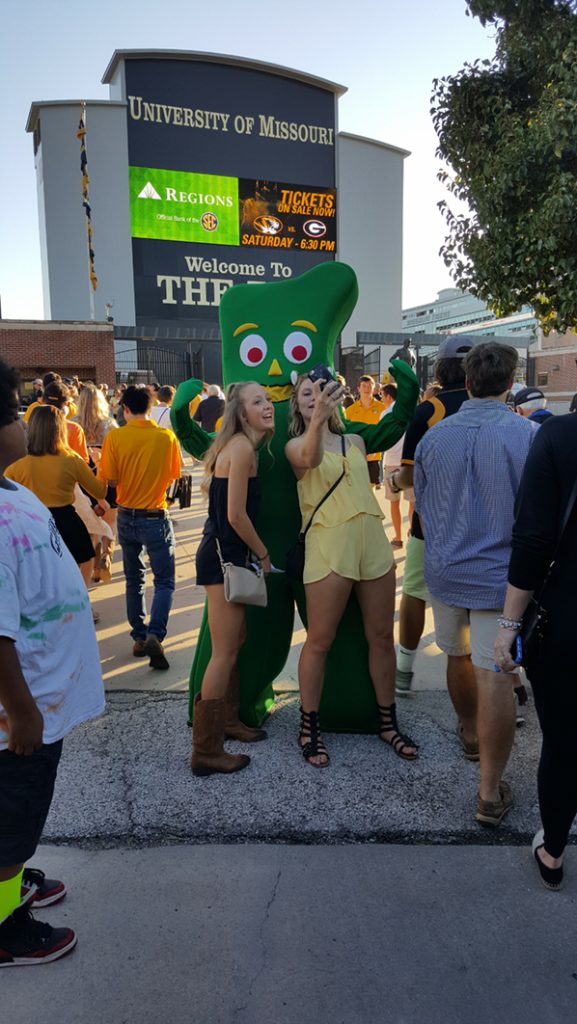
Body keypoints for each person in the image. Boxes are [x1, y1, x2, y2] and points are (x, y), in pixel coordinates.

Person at [0, 359, 105, 966]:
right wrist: (21, 713)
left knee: (13, 812)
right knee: (14, 812)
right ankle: (5, 925)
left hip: (42, 696)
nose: (20, 425)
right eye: (10, 415)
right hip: (22, 711)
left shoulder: (13, 488)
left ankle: (9, 878)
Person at [414, 342, 535, 826]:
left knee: (456, 657)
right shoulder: (526, 435)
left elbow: (422, 505)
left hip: (446, 570)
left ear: (466, 380)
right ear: (510, 382)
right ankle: (489, 791)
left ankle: (469, 733)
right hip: (499, 580)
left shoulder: (433, 438)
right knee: (496, 677)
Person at [285, 374, 418, 768]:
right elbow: (309, 460)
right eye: (305, 394)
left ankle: (387, 722)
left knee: (380, 636)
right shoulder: (295, 444)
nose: (313, 399)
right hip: (328, 544)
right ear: (297, 403)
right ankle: (309, 728)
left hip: (371, 541)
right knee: (320, 640)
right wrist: (318, 420)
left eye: (320, 392)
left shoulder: (356, 441)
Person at [494, 413, 577, 889]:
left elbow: (532, 539)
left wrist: (508, 625)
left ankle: (554, 851)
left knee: (565, 741)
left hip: (567, 617)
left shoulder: (559, 435)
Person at [193, 382, 274, 776]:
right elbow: (236, 516)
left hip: (224, 555)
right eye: (257, 401)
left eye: (268, 399)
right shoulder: (242, 449)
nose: (268, 405)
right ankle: (206, 750)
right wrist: (263, 553)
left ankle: (225, 722)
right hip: (224, 557)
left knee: (234, 641)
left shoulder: (243, 447)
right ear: (241, 413)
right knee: (224, 651)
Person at [387, 335, 473, 696]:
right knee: (481, 603)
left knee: (414, 591)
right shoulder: (501, 409)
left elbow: (408, 475)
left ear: (440, 367)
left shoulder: (430, 410)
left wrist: (391, 479)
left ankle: (404, 671)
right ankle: (505, 683)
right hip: (486, 524)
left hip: (431, 523)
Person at [99, 385, 181, 670]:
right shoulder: (166, 437)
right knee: (164, 580)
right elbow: (174, 475)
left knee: (134, 579)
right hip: (155, 515)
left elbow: (109, 479)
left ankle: (139, 635)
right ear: (150, 406)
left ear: (125, 409)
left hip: (126, 515)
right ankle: (156, 633)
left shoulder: (116, 437)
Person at [5, 406, 107, 596]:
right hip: (65, 519)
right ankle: (80, 597)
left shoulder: (17, 464)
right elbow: (99, 490)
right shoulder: (71, 460)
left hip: (30, 522)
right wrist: (100, 465)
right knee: (85, 558)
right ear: (60, 429)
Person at [74, 383, 119, 582]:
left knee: (90, 526)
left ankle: (92, 567)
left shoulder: (73, 424)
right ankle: (107, 556)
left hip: (82, 480)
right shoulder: (109, 424)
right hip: (106, 479)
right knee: (110, 521)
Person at [380, 382, 412, 549]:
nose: (381, 398)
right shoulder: (410, 412)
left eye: (382, 395)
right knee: (412, 502)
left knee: (394, 502)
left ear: (389, 396)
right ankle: (412, 534)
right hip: (408, 461)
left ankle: (398, 537)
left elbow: (383, 438)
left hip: (391, 462)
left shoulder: (386, 414)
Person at [343, 374, 383, 488]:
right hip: (355, 455)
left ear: (374, 387)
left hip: (373, 455)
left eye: (370, 386)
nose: (367, 389)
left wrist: (376, 450)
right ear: (358, 388)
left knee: (371, 489)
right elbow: (345, 433)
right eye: (364, 386)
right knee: (356, 488)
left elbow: (383, 430)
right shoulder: (350, 410)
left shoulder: (382, 408)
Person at [42, 381, 90, 461]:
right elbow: (82, 461)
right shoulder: (75, 429)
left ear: (43, 401)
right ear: (66, 404)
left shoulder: (33, 426)